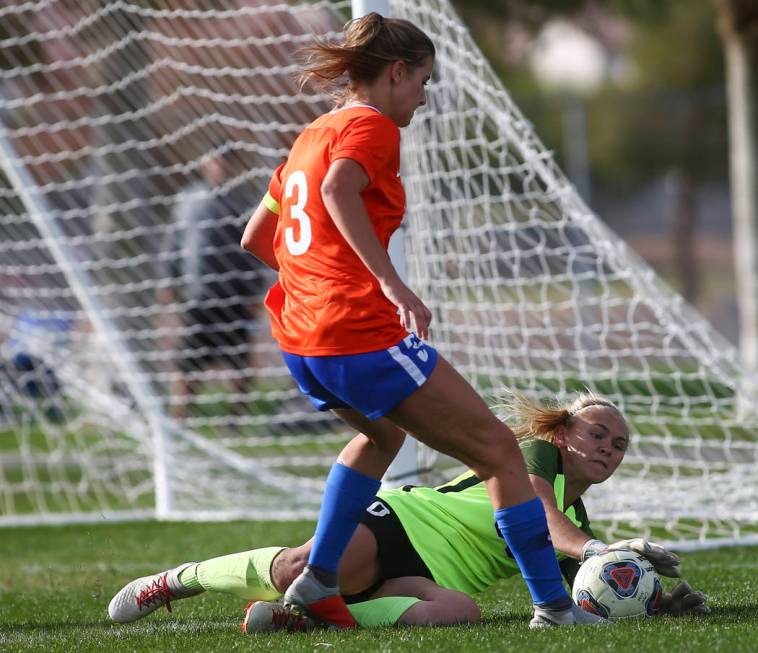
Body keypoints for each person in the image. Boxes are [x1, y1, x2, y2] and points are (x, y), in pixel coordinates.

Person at [237, 12, 622, 630]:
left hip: (301, 339)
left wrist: (314, 282)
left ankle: (317, 579)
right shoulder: (372, 125)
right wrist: (386, 282)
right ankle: (554, 608)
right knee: (500, 451)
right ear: (396, 72)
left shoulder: (312, 133)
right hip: (355, 332)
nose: (423, 95)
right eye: (423, 80)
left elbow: (258, 236)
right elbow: (338, 191)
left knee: (382, 438)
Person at [107, 392, 702, 630]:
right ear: (564, 431)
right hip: (401, 522)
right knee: (303, 567)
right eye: (598, 433)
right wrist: (600, 552)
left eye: (619, 446)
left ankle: (306, 620)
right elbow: (543, 515)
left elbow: (585, 597)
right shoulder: (532, 453)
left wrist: (651, 601)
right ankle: (174, 581)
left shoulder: (581, 531)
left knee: (459, 610)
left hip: (424, 580)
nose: (608, 448)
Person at [159, 149, 266, 421]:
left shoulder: (244, 203)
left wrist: (255, 291)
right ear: (206, 164)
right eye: (215, 162)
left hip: (233, 298)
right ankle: (179, 417)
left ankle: (234, 419)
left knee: (241, 363)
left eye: (226, 163)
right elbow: (173, 243)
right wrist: (168, 281)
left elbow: (256, 251)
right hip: (197, 297)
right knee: (188, 362)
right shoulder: (187, 200)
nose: (220, 168)